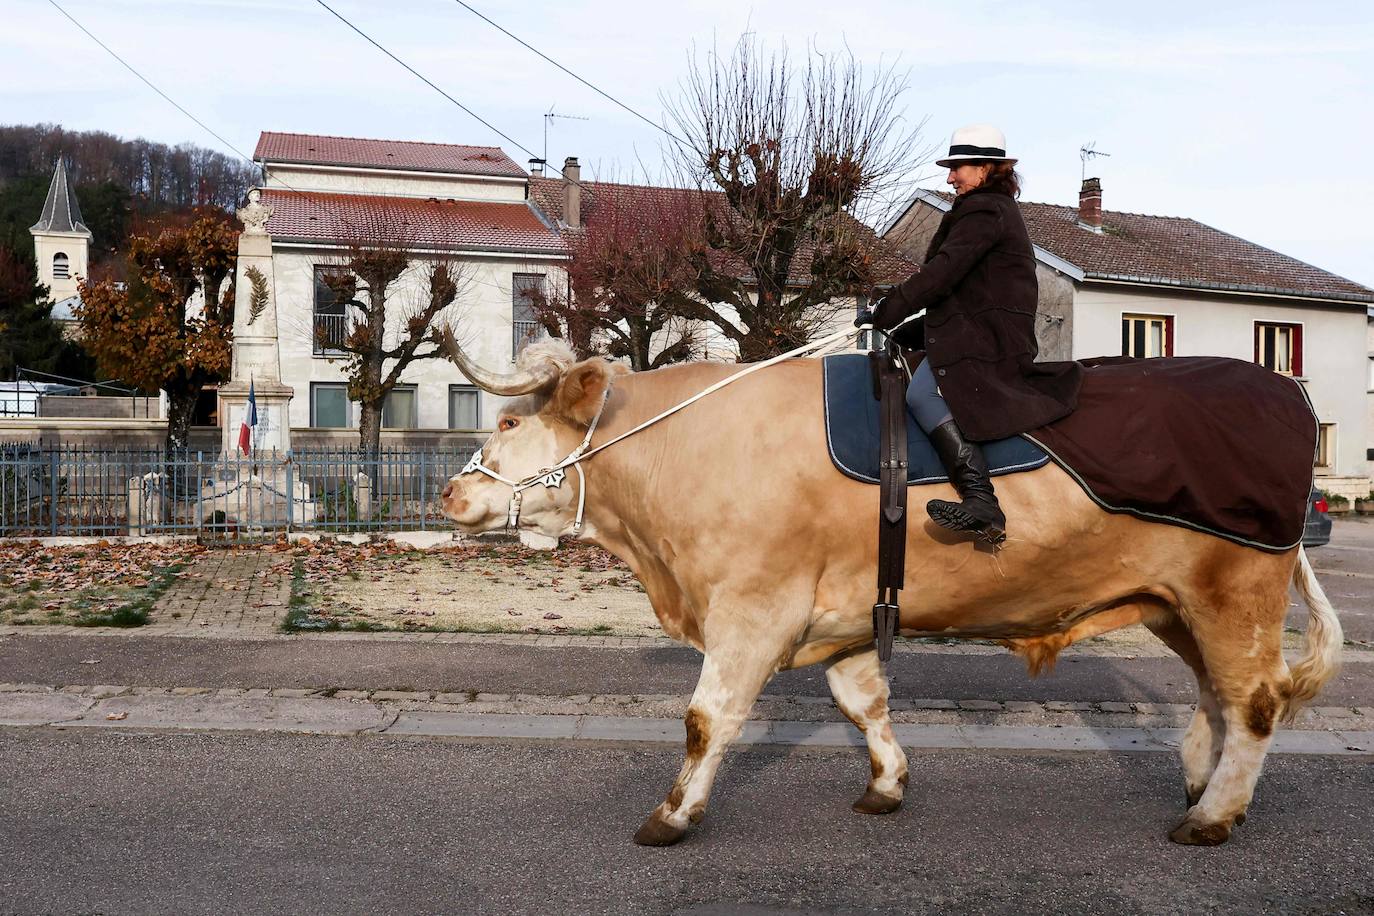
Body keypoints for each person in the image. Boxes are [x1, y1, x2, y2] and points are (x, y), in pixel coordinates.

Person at [865, 125, 1082, 542]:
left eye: (958, 168)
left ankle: (981, 499)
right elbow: (969, 295)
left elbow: (943, 273)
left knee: (921, 394)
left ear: (986, 168)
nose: (950, 178)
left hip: (989, 341)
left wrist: (887, 311)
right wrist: (915, 328)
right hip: (978, 329)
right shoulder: (988, 210)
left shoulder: (986, 211)